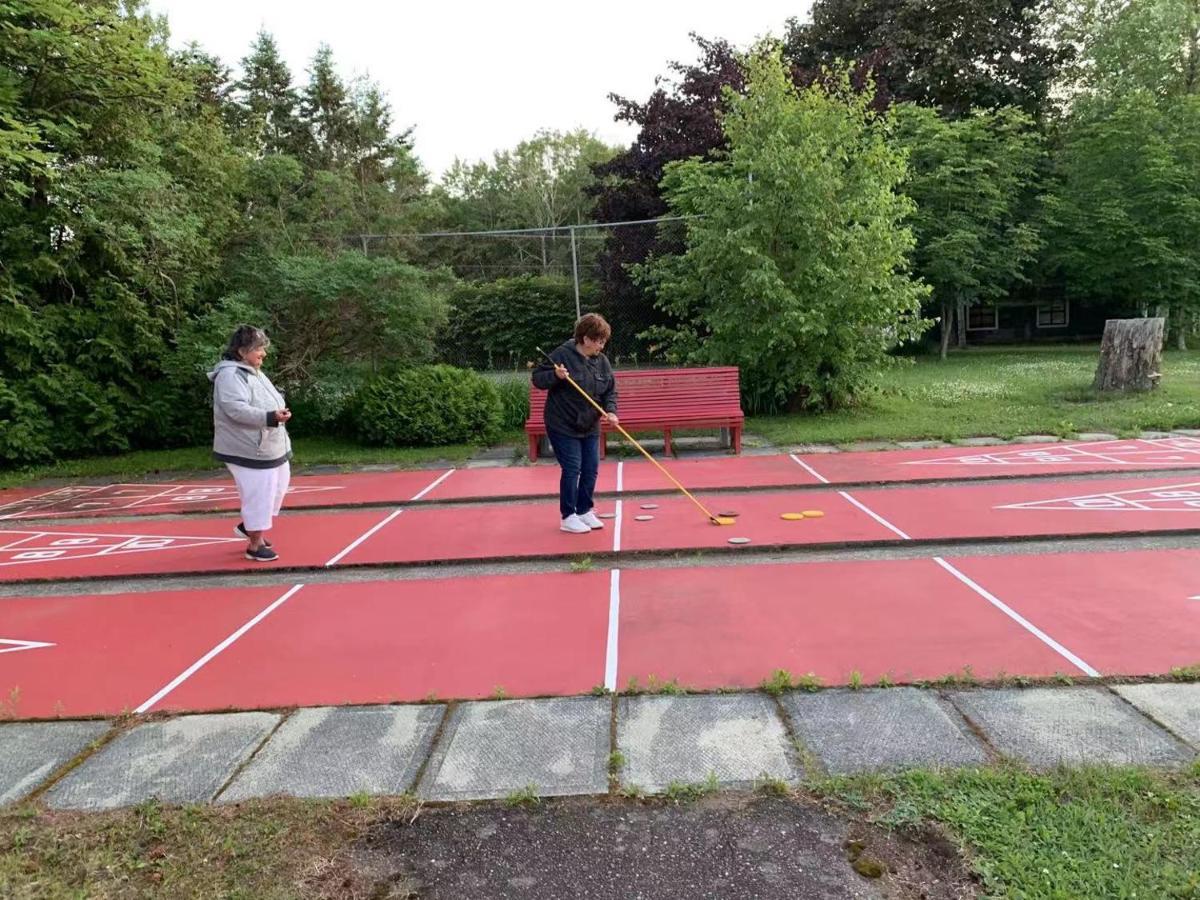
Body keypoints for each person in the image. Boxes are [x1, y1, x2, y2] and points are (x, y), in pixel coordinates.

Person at [208, 325, 292, 562]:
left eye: (263, 348)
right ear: (242, 351)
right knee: (259, 494)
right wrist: (269, 417)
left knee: (278, 488)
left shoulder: (253, 370)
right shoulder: (230, 375)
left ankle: (251, 525)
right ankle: (255, 545)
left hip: (268, 444)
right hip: (247, 448)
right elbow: (235, 409)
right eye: (258, 348)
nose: (263, 353)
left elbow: (267, 399)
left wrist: (277, 413)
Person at [532, 313, 618, 533]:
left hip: (589, 424)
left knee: (591, 468)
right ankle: (568, 516)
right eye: (599, 340)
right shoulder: (562, 354)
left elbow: (609, 391)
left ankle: (584, 510)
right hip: (563, 423)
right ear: (586, 338)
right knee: (573, 468)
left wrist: (611, 412)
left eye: (603, 341)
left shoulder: (602, 361)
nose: (601, 345)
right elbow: (538, 379)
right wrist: (555, 375)